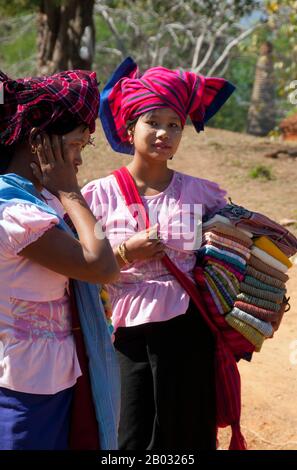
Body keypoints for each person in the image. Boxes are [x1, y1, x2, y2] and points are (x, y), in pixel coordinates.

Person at [82, 57, 237, 450]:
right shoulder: (97, 195)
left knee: (185, 436)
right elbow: (79, 268)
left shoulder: (205, 194)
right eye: (153, 122)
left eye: (174, 125)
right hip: (125, 333)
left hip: (189, 330)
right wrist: (123, 253)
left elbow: (230, 254)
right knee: (130, 436)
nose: (163, 133)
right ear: (130, 126)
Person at [0, 70, 120, 450]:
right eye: (75, 146)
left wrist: (65, 193)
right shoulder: (14, 213)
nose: (79, 161)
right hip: (23, 388)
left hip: (53, 377)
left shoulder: (41, 203)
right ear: (39, 141)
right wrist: (71, 190)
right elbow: (103, 266)